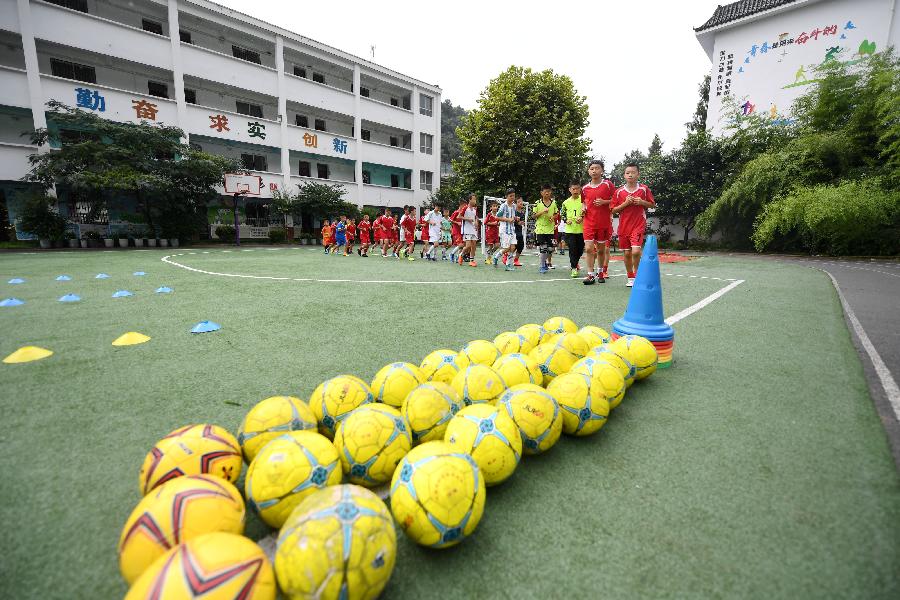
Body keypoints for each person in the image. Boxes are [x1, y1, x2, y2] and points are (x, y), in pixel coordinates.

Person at [611, 162, 655, 287]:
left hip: (638, 225)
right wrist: (625, 203)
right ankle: (630, 277)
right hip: (624, 227)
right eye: (627, 173)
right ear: (624, 175)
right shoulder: (619, 192)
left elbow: (652, 205)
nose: (630, 175)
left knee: (635, 251)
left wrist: (642, 202)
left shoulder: (644, 189)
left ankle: (637, 275)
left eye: (633, 172)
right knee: (627, 253)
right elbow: (613, 210)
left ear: (638, 174)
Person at [581, 159, 616, 285]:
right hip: (589, 223)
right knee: (589, 249)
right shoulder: (584, 188)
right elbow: (583, 203)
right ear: (588, 171)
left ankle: (600, 272)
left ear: (602, 170)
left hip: (603, 223)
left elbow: (616, 200)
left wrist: (604, 202)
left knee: (601, 250)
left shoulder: (608, 185)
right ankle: (590, 275)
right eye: (592, 169)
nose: (594, 171)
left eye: (597, 168)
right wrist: (583, 209)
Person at [561, 181, 585, 278]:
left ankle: (576, 262)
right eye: (573, 189)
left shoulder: (584, 200)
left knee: (580, 250)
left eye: (577, 189)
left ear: (580, 189)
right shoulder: (565, 202)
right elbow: (562, 214)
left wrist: (582, 217)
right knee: (572, 249)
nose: (575, 191)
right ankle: (574, 267)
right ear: (570, 190)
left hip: (582, 230)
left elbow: (588, 212)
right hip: (570, 231)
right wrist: (566, 220)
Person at [532, 184, 558, 274]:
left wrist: (553, 217)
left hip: (550, 229)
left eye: (549, 191)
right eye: (545, 191)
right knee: (543, 248)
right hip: (540, 229)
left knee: (551, 249)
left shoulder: (554, 203)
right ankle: (542, 265)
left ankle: (545, 262)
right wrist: (542, 211)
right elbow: (533, 216)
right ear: (541, 193)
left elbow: (556, 214)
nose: (547, 193)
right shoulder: (537, 203)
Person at [492, 189, 518, 271]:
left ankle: (508, 264)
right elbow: (497, 217)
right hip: (505, 230)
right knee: (507, 248)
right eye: (511, 196)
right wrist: (508, 220)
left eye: (514, 196)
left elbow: (512, 216)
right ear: (506, 197)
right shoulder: (503, 206)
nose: (512, 197)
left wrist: (515, 218)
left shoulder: (514, 206)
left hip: (512, 230)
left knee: (513, 247)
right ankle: (496, 257)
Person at [460, 193, 479, 267]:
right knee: (468, 246)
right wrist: (468, 219)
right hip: (467, 229)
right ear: (469, 200)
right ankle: (461, 254)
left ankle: (471, 261)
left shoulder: (474, 209)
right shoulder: (465, 208)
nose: (475, 201)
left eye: (475, 199)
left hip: (473, 229)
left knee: (474, 245)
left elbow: (476, 217)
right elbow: (459, 216)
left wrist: (476, 222)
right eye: (473, 199)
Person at [448, 199, 466, 263]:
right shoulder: (456, 212)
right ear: (461, 205)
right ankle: (452, 254)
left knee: (463, 245)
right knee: (461, 245)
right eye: (464, 206)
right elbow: (450, 220)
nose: (465, 207)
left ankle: (458, 257)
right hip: (456, 231)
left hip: (462, 231)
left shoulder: (463, 213)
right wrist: (457, 222)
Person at [513, 196, 526, 267]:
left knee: (521, 245)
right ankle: (506, 256)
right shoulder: (513, 211)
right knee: (513, 246)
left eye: (521, 201)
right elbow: (511, 221)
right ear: (515, 204)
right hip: (513, 231)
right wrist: (517, 222)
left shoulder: (522, 212)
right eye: (519, 202)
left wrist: (522, 223)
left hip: (519, 231)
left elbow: (522, 221)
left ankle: (516, 260)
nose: (521, 203)